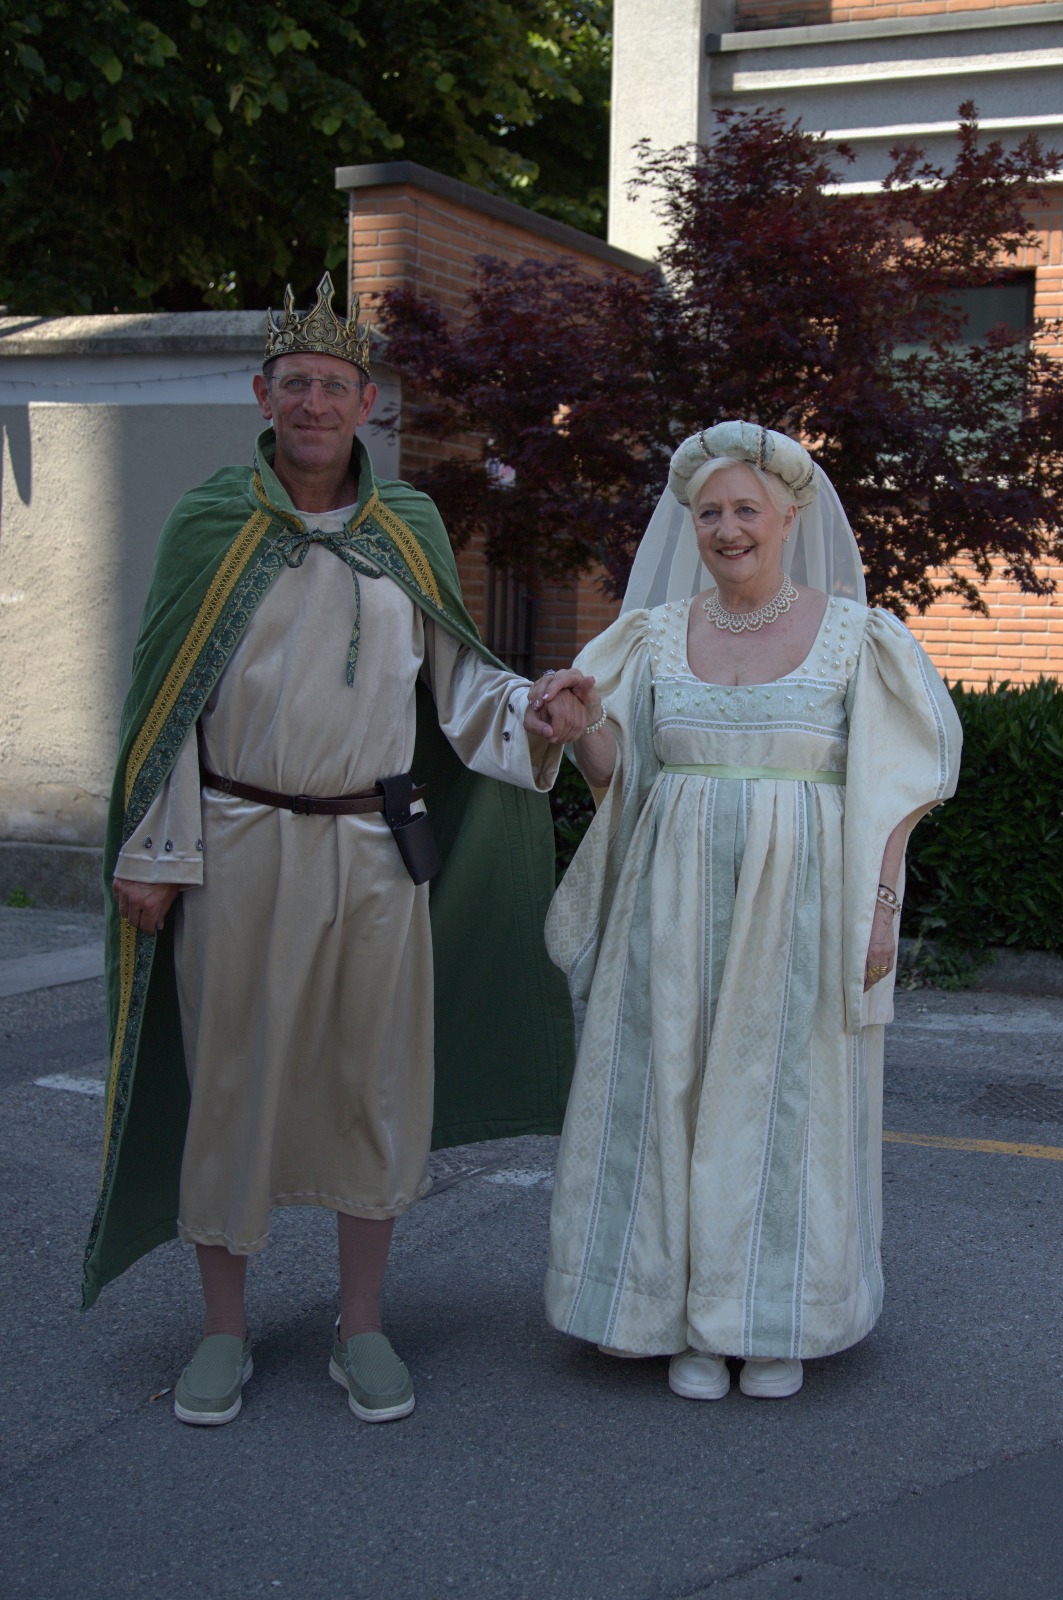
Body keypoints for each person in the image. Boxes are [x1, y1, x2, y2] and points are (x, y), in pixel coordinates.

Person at [84, 273, 593, 1427]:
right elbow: (165, 701)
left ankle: (359, 1327)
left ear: (368, 405)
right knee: (234, 1084)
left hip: (372, 849)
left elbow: (461, 684)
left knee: (372, 1085)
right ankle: (224, 1331)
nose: (315, 402)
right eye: (296, 384)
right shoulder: (210, 522)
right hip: (240, 845)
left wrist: (537, 714)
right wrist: (154, 848)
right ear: (263, 395)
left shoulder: (406, 527)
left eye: (337, 386)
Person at [541, 421, 962, 1400]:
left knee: (786, 1101)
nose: (727, 528)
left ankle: (772, 1319)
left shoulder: (859, 638)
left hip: (803, 905)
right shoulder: (650, 636)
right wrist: (580, 729)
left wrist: (881, 911)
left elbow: (896, 790)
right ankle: (681, 1314)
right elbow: (621, 780)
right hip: (670, 903)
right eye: (708, 513)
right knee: (670, 1090)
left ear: (788, 515)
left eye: (744, 509)